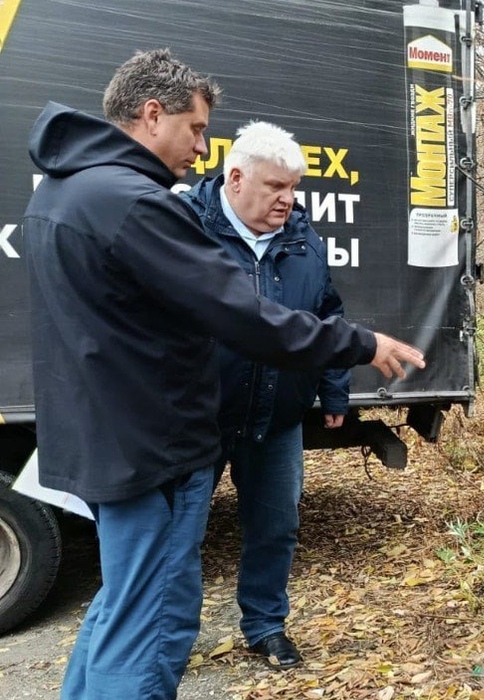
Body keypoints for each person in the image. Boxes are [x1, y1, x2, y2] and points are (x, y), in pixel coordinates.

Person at [22, 49, 425, 699]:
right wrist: (362, 344)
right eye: (196, 128)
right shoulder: (135, 203)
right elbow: (245, 317)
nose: (201, 147)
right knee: (153, 624)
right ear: (152, 114)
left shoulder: (67, 190)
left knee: (122, 607)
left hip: (108, 440)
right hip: (153, 449)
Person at [178, 121, 346, 670]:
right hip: (197, 420)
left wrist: (334, 391)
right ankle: (170, 640)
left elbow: (325, 314)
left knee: (275, 528)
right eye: (275, 186)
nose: (287, 199)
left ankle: (266, 626)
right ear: (236, 178)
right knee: (180, 536)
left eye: (293, 187)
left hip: (276, 418)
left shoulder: (302, 240)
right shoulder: (184, 227)